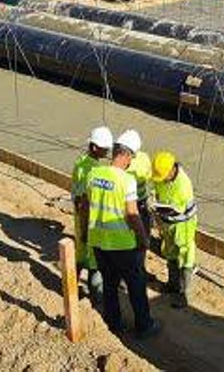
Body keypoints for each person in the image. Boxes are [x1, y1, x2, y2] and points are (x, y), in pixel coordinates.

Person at [78, 130, 161, 338]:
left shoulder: (93, 174)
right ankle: (144, 325)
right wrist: (143, 240)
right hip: (122, 245)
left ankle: (113, 323)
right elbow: (132, 215)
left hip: (98, 241)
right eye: (132, 157)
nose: (131, 161)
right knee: (136, 285)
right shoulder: (126, 181)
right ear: (127, 155)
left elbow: (85, 207)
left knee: (109, 284)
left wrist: (85, 233)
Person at [150, 150, 197, 307]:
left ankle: (182, 293)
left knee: (184, 257)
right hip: (167, 223)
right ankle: (172, 284)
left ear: (172, 170)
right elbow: (158, 192)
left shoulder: (183, 185)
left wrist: (159, 210)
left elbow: (176, 209)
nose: (160, 180)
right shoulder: (161, 176)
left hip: (182, 225)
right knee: (170, 252)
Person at [71, 125, 113, 299]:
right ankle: (97, 297)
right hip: (89, 220)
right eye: (105, 149)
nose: (108, 152)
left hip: (80, 219)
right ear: (95, 147)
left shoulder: (81, 162)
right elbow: (84, 201)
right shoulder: (93, 171)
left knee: (80, 256)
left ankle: (70, 287)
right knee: (94, 261)